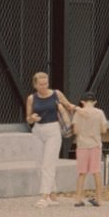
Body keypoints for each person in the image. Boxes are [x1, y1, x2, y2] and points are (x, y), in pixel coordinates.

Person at [23, 72, 73, 207]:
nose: (44, 86)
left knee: (48, 163)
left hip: (53, 130)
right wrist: (32, 118)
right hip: (38, 130)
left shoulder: (56, 94)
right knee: (40, 164)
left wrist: (83, 110)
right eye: (41, 84)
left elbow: (69, 106)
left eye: (46, 83)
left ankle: (44, 196)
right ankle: (52, 194)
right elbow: (27, 118)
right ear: (35, 85)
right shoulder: (31, 98)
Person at [68, 93, 108, 207]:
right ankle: (99, 200)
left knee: (82, 173)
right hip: (95, 145)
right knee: (96, 172)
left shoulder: (78, 113)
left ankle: (78, 199)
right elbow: (104, 130)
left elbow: (75, 131)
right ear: (95, 102)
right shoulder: (100, 112)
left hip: (82, 145)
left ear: (82, 101)